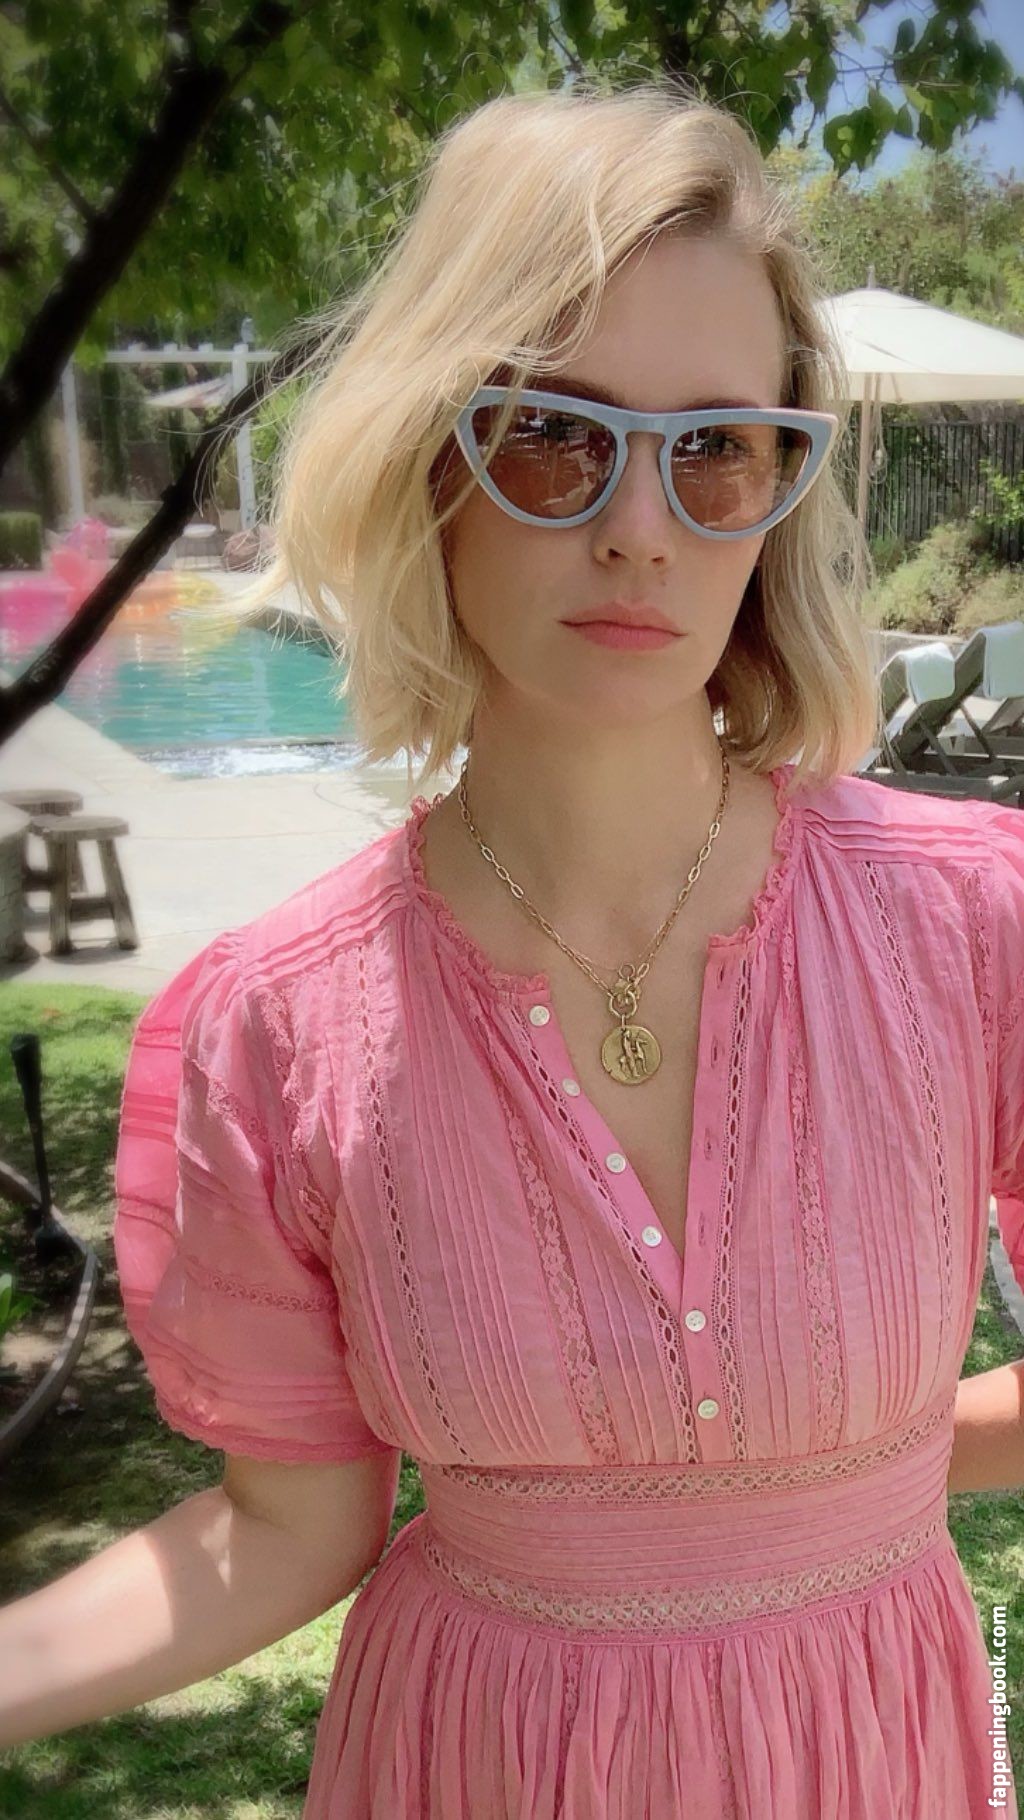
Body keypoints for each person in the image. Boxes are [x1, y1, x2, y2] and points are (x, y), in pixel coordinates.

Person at [2, 74, 1021, 1819]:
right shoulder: (279, 1026)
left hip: (871, 1756)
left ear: (782, 485)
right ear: (425, 456)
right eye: (552, 434)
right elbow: (281, 1529)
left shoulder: (971, 926)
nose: (640, 525)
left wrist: (845, 1479)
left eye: (718, 446)